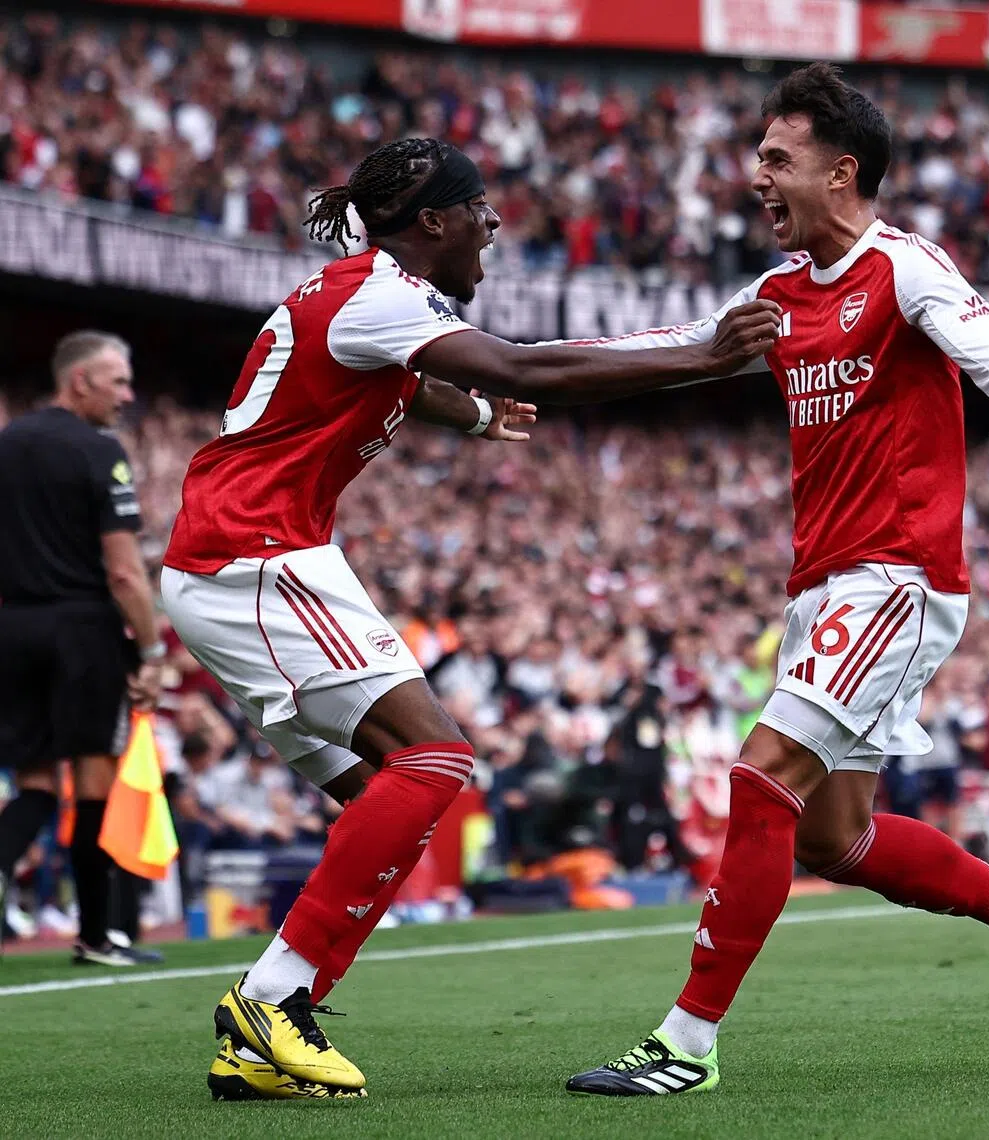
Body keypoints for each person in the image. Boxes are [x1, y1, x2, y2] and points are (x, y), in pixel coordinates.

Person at [158, 136, 780, 1101]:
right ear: (434, 221)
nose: (494, 226)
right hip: (255, 552)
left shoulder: (366, 297)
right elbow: (527, 366)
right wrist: (703, 356)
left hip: (236, 555)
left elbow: (406, 381)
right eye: (480, 209)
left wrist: (478, 419)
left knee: (392, 799)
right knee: (437, 760)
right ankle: (270, 1000)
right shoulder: (380, 294)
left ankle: (265, 1036)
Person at [565, 63, 989, 1097]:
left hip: (897, 577)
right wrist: (499, 364)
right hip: (822, 584)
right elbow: (668, 348)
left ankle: (685, 1042)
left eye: (777, 158)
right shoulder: (772, 297)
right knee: (835, 836)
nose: (754, 176)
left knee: (759, 779)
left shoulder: (904, 269)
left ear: (840, 172)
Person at [0, 330, 164, 966]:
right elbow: (123, 570)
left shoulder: (6, 445)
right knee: (93, 780)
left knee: (37, 784)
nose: (127, 395)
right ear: (81, 382)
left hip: (13, 628)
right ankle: (96, 935)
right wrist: (149, 653)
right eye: (118, 381)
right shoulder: (99, 450)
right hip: (82, 630)